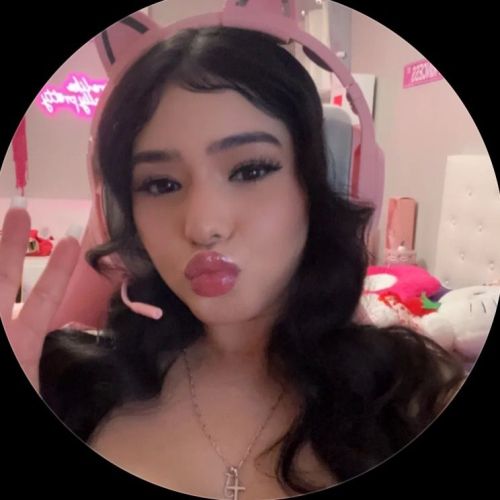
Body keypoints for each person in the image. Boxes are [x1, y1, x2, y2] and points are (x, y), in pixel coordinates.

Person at [0, 25, 464, 499]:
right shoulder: (71, 383)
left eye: (250, 170)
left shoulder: (413, 395)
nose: (204, 226)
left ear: (314, 185)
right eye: (161, 184)